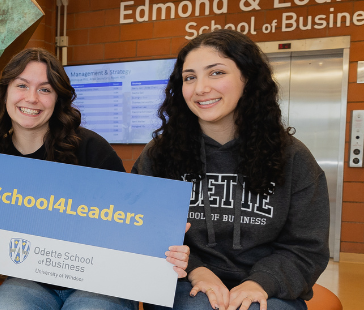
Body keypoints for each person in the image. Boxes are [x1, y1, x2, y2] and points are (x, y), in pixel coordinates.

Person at [0, 48, 191, 310]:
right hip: (31, 282)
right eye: (22, 85)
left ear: (57, 99)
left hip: (100, 282)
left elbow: (130, 224)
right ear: (6, 92)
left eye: (45, 89)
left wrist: (161, 238)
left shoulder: (91, 148)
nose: (31, 98)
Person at [132, 29, 329, 310]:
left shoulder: (293, 157)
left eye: (216, 73)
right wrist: (196, 270)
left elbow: (307, 248)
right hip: (182, 281)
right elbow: (143, 232)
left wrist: (260, 282)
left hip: (268, 287)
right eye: (190, 77)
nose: (200, 88)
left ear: (247, 78)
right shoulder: (159, 155)